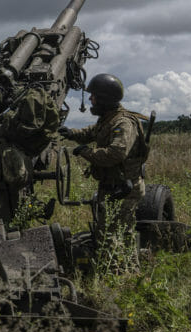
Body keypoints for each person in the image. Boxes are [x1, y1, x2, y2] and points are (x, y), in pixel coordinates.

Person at [59, 73, 149, 243]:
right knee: (108, 234)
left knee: (116, 237)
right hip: (112, 186)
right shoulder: (108, 119)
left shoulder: (123, 123)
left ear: (104, 99)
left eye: (94, 96)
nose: (90, 99)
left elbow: (115, 154)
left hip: (124, 189)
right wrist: (71, 133)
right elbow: (92, 132)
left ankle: (123, 268)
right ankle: (119, 267)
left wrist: (86, 152)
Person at [0, 86, 60, 229]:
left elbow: (28, 127)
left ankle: (6, 226)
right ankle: (6, 224)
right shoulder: (34, 97)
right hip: (13, 155)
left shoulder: (32, 98)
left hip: (12, 155)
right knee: (7, 187)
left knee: (8, 188)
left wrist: (7, 120)